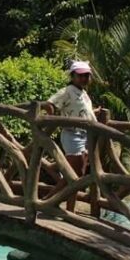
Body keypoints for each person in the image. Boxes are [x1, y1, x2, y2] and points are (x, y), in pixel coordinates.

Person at [46, 60, 99, 212]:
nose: (84, 78)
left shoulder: (83, 93)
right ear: (73, 76)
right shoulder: (67, 91)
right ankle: (47, 201)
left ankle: (69, 208)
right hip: (72, 134)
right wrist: (53, 118)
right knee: (75, 175)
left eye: (86, 75)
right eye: (80, 75)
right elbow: (50, 104)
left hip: (84, 135)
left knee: (77, 175)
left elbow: (81, 111)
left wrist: (95, 113)